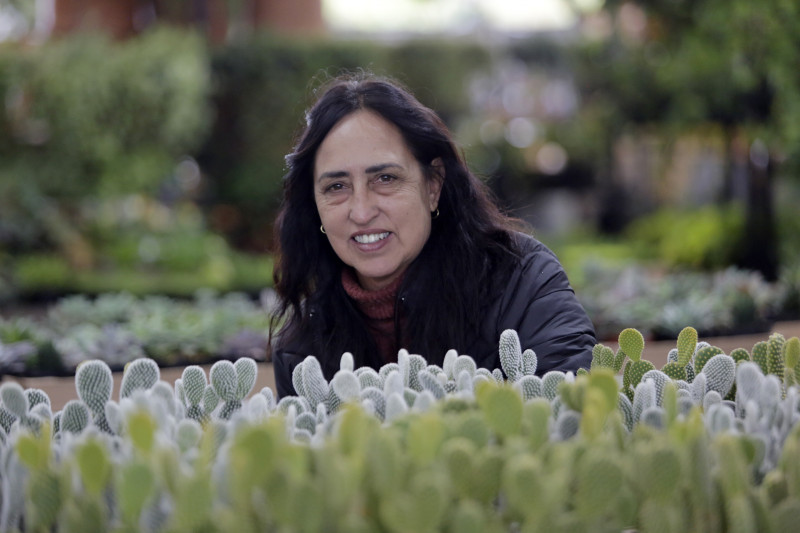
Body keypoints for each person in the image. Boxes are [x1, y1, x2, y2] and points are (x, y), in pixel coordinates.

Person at [270, 73, 596, 398]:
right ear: (314, 206)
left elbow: (569, 414)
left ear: (433, 185)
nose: (362, 211)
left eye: (385, 178)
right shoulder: (302, 348)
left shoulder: (523, 284)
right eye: (336, 187)